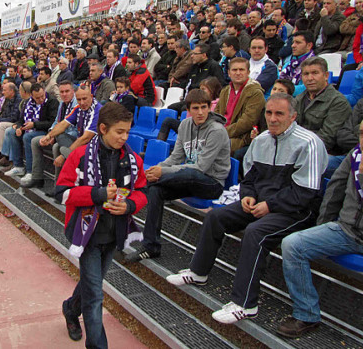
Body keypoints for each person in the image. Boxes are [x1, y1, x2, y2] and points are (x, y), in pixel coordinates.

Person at [166, 93, 328, 324]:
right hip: (262, 204)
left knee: (255, 233)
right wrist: (248, 196)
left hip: (296, 212)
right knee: (216, 218)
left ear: (293, 116)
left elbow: (305, 192)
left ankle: (245, 304)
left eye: (279, 114)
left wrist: (270, 205)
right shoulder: (261, 140)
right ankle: (198, 272)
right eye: (269, 113)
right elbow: (250, 179)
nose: (272, 118)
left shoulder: (309, 143)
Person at [57, 102, 148, 347]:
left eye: (128, 132)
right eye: (119, 131)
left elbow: (141, 191)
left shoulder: (132, 159)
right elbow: (63, 193)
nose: (124, 137)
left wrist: (129, 206)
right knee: (96, 294)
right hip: (85, 232)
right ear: (103, 128)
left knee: (91, 283)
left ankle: (70, 308)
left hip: (114, 232)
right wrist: (98, 194)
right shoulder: (79, 155)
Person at [277, 115, 363, 339]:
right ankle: (307, 313)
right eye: (362, 133)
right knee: (293, 244)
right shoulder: (355, 155)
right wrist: (322, 227)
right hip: (346, 230)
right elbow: (335, 190)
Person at [126, 89, 231, 262]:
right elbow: (176, 157)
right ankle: (151, 246)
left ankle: (137, 185)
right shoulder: (185, 125)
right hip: (189, 179)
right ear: (188, 110)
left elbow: (201, 167)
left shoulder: (217, 131)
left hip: (211, 183)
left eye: (204, 107)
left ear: (209, 108)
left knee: (189, 171)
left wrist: (161, 172)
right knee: (156, 190)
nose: (200, 112)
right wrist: (156, 169)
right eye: (196, 108)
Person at [21, 80, 78, 189]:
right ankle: (37, 177)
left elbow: (74, 130)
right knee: (35, 141)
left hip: (71, 138)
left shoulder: (76, 104)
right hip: (58, 135)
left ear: (73, 91)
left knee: (57, 147)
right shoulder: (62, 103)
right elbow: (56, 122)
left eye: (67, 91)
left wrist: (54, 136)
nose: (64, 94)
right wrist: (50, 134)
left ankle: (58, 185)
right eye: (62, 92)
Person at [294, 57, 352, 154]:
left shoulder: (338, 102)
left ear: (326, 75)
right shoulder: (298, 99)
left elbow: (327, 138)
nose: (310, 78)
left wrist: (297, 151)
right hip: (296, 148)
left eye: (315, 73)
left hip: (323, 152)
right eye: (306, 74)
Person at [5, 84, 59, 177]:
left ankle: (30, 171)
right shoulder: (27, 102)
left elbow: (52, 123)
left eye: (42, 96)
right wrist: (18, 127)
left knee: (27, 137)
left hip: (45, 130)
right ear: (32, 96)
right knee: (11, 132)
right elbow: (21, 120)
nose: (41, 99)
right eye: (37, 98)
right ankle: (18, 166)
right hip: (29, 128)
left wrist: (34, 124)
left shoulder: (52, 101)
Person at [216, 58, 266, 155]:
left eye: (241, 70)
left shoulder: (255, 92)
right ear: (229, 73)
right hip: (221, 133)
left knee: (213, 147)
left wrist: (223, 133)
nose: (238, 73)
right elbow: (216, 114)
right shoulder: (225, 91)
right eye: (234, 70)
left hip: (241, 137)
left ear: (248, 72)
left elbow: (247, 122)